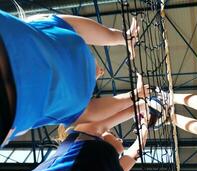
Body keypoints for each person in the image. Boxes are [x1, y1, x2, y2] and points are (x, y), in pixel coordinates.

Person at [0, 9, 139, 146]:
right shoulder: (46, 27)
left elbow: (80, 27)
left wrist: (122, 38)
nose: (101, 72)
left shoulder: (44, 26)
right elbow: (79, 27)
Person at [0, 88, 150, 171]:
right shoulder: (81, 141)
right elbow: (136, 151)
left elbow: (103, 129)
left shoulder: (86, 146)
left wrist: (141, 110)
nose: (120, 139)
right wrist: (143, 117)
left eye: (113, 133)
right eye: (113, 133)